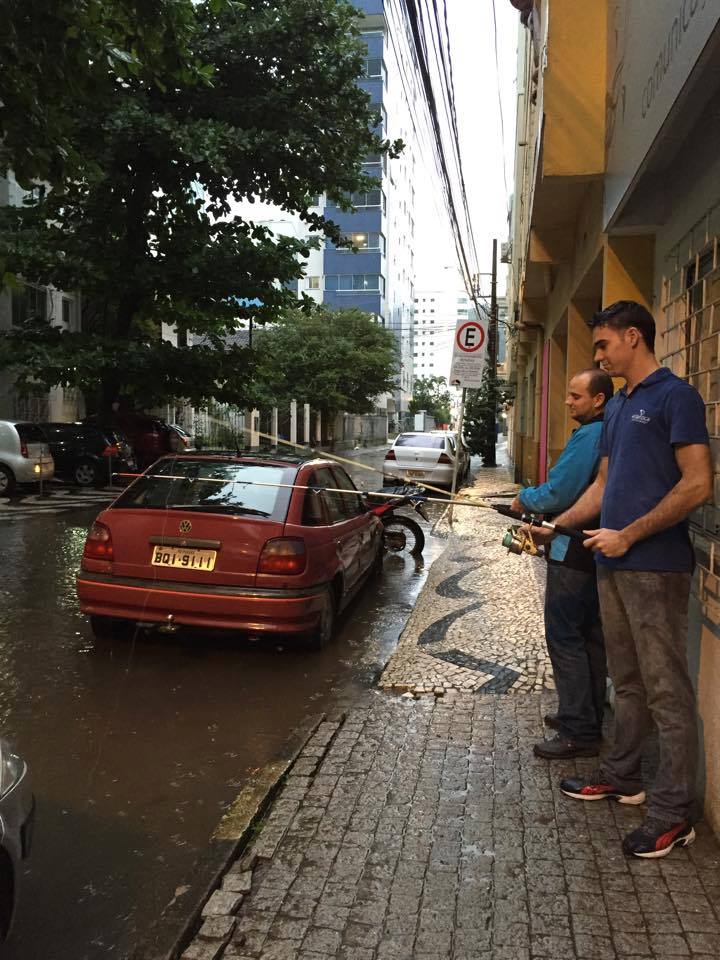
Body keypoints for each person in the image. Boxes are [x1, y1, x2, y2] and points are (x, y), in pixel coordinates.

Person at [552, 300, 712, 859]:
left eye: (603, 344)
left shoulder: (677, 397)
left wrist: (630, 535)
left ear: (634, 338)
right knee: (628, 680)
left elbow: (697, 484)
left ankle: (674, 813)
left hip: (655, 567)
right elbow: (602, 487)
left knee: (668, 689)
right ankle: (623, 775)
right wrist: (558, 526)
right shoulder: (617, 407)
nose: (598, 354)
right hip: (609, 562)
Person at [511, 368, 614, 760]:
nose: (567, 401)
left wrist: (526, 498)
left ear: (598, 400)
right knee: (588, 635)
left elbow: (561, 490)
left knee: (565, 636)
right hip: (591, 549)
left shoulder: (591, 435)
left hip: (572, 549)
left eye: (575, 396)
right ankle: (586, 716)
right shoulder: (602, 431)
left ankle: (578, 730)